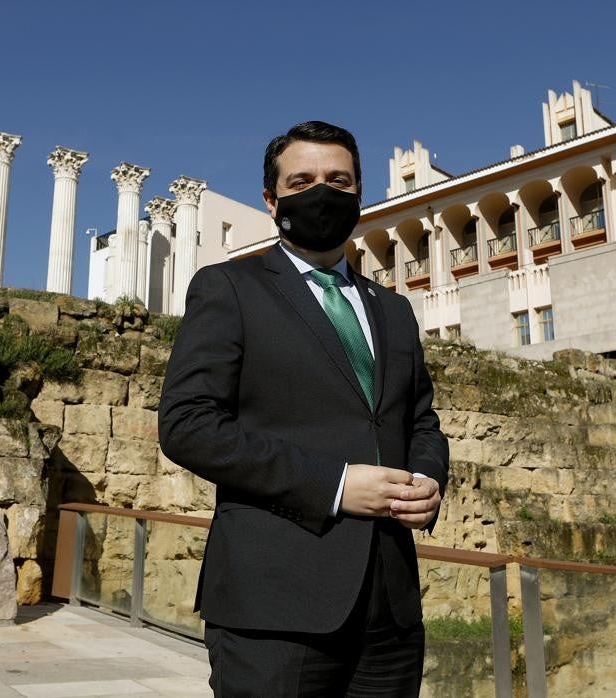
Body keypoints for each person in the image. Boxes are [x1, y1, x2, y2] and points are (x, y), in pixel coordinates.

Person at [158, 120, 449, 696]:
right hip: (275, 607)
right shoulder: (229, 288)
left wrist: (427, 479)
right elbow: (188, 424)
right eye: (303, 181)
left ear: (360, 194)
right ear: (272, 200)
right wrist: (336, 485)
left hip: (389, 608)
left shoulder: (392, 311)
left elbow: (421, 421)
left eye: (339, 180)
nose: (323, 192)